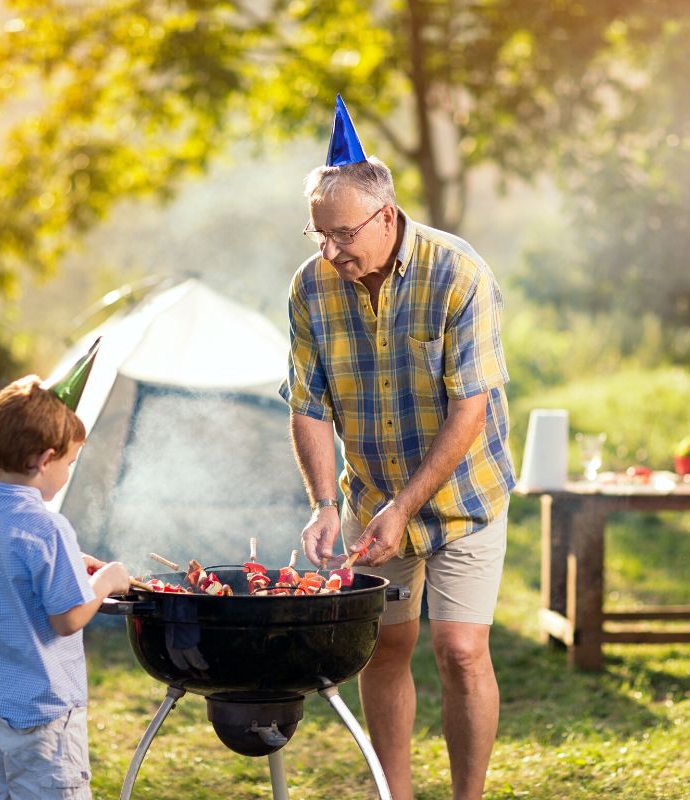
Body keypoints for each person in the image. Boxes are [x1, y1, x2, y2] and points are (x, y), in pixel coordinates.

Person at [279, 95, 515, 800]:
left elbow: (470, 408)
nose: (331, 250)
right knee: (386, 647)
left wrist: (406, 506)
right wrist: (326, 504)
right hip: (371, 494)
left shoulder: (459, 275)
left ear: (386, 216)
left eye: (343, 234)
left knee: (461, 650)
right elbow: (308, 404)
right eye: (318, 235)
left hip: (465, 493)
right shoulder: (311, 289)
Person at [0, 358, 130, 800]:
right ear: (45, 460)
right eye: (69, 462)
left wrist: (69, 561)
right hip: (44, 723)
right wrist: (105, 581)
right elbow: (67, 618)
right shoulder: (48, 527)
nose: (67, 471)